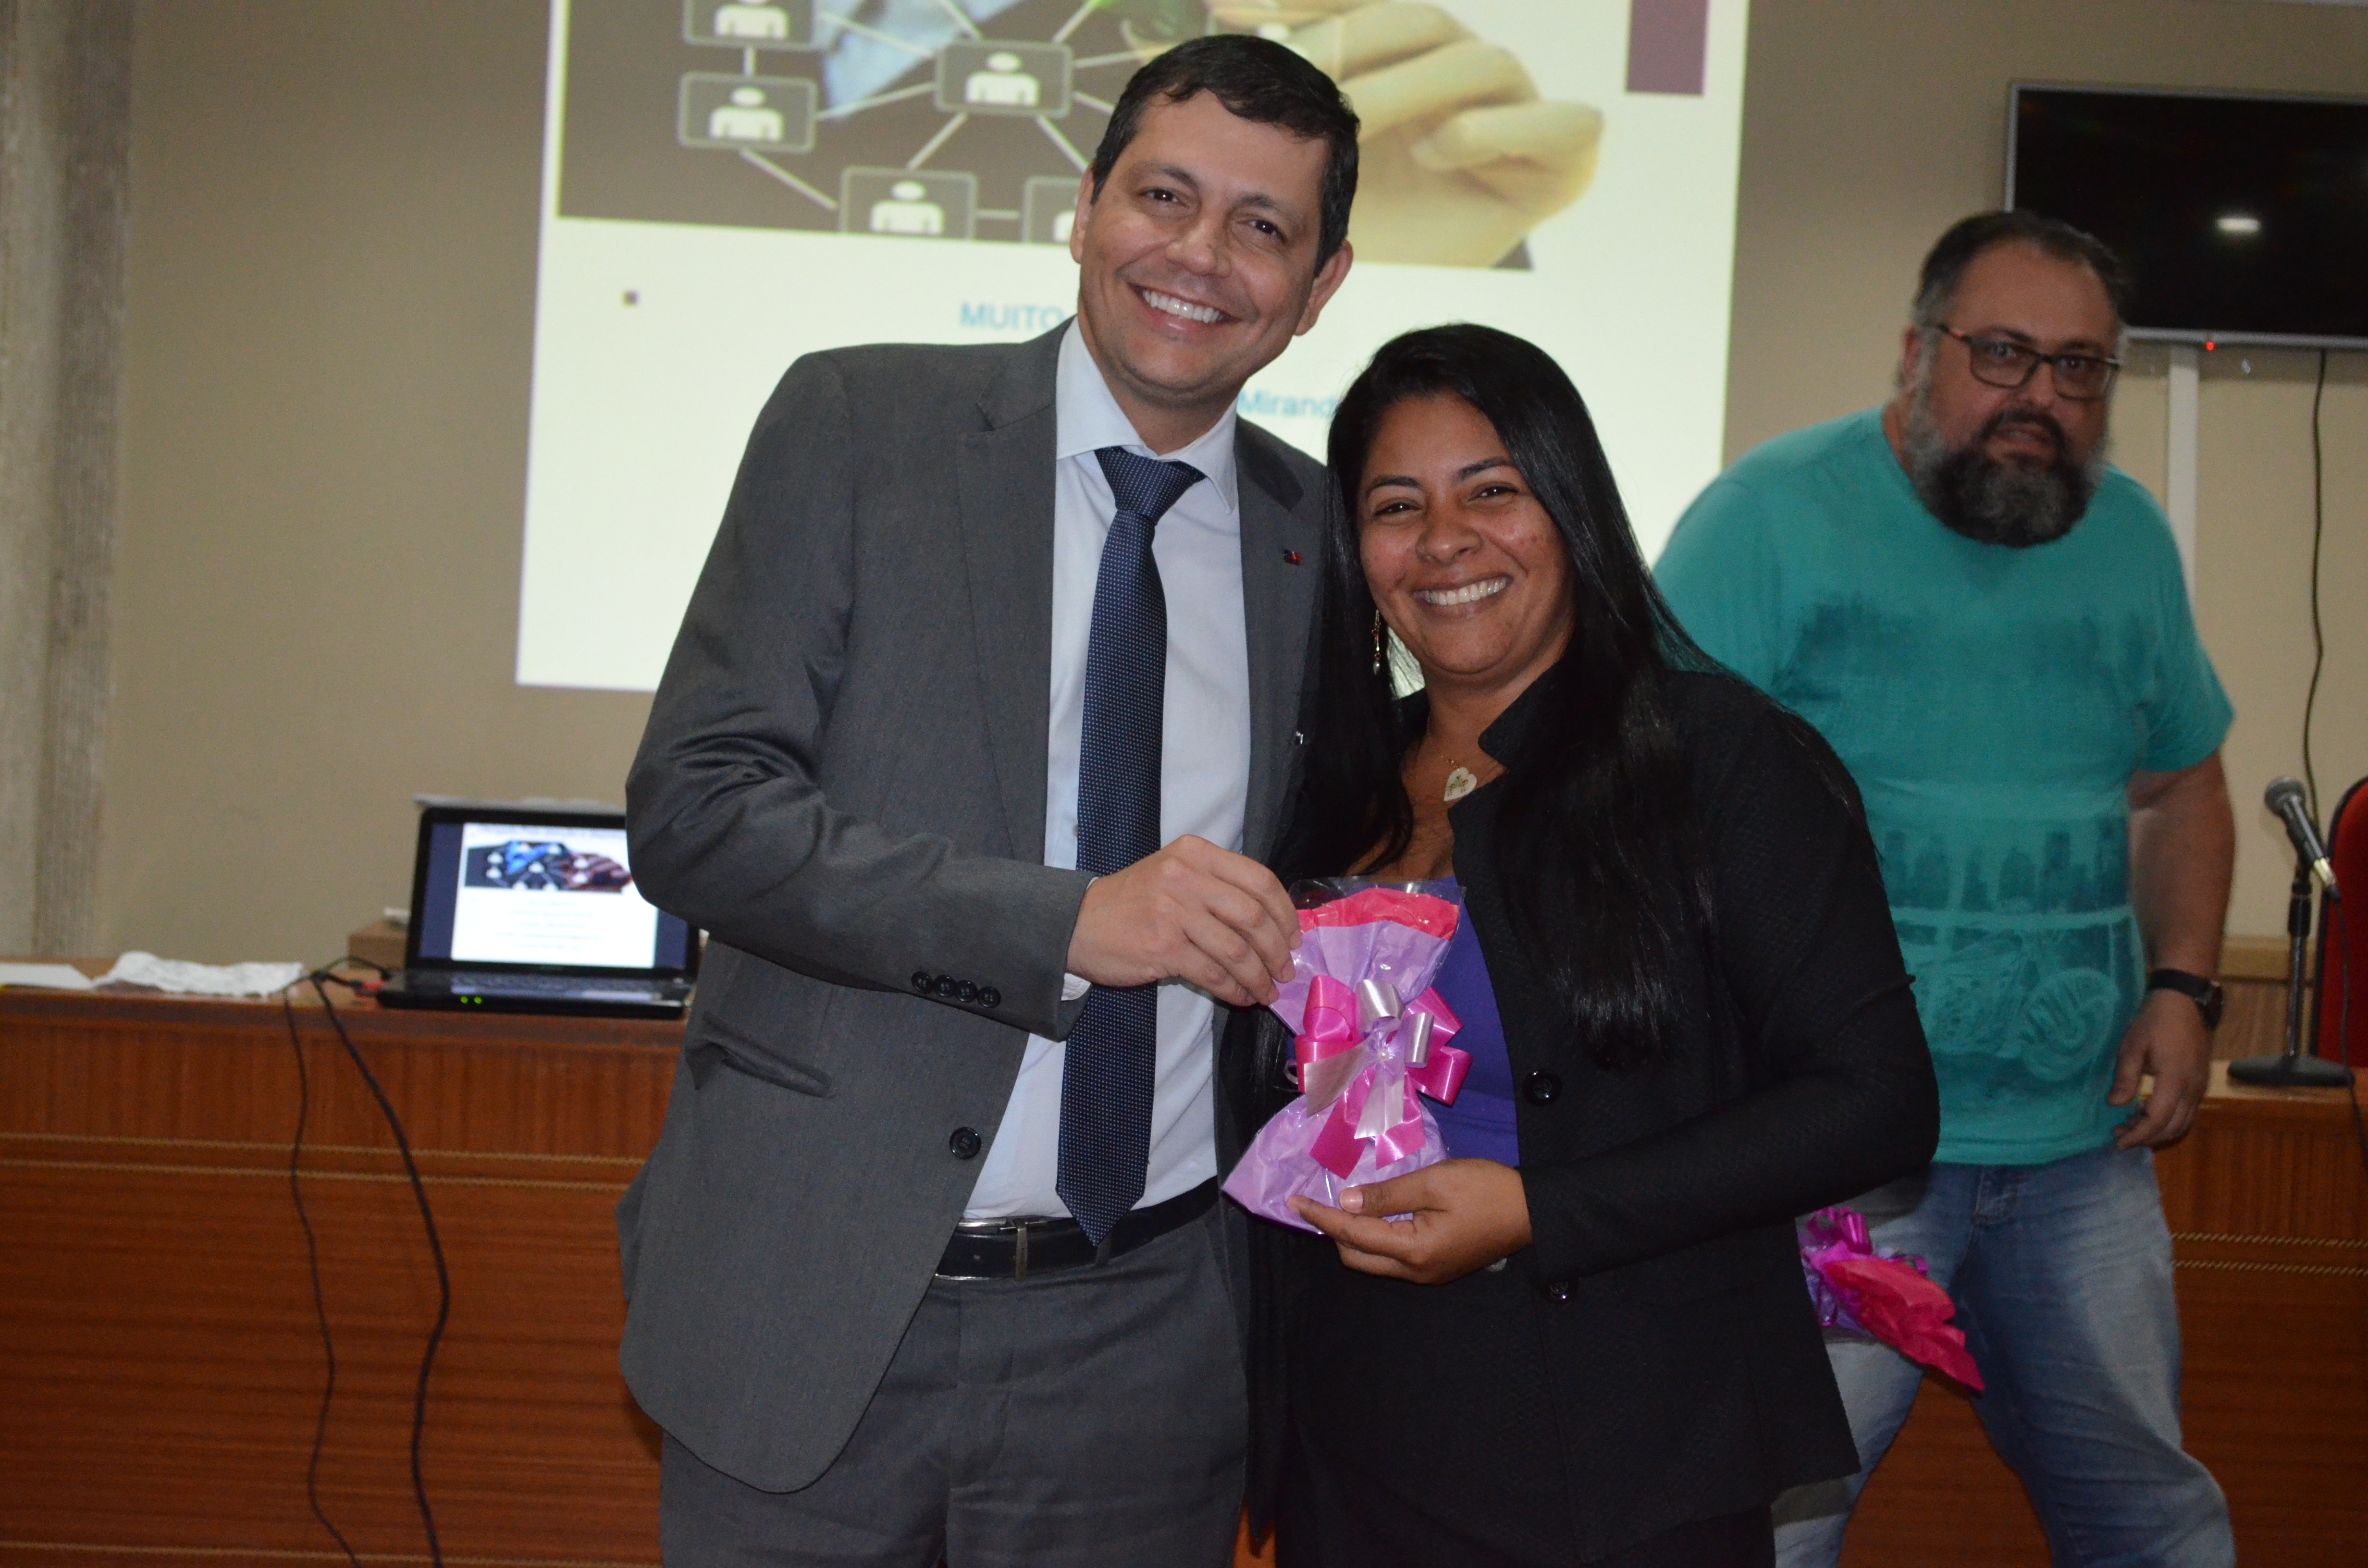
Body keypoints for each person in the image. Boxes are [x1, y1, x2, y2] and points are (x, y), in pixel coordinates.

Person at [617, 35, 1356, 1567]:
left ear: (1321, 284)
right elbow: (696, 808)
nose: (1199, 256)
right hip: (809, 1301)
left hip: (1148, 1340)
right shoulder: (858, 423)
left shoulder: (1322, 534)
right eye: (1164, 196)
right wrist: (1066, 922)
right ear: (1085, 207)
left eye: (1262, 227)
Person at [1216, 323, 1941, 1568]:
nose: (1445, 541)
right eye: (1397, 506)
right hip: (1355, 1441)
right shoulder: (1327, 783)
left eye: (1492, 491)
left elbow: (1877, 1103)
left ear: (1574, 507)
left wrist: (1538, 1212)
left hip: (1623, 1460)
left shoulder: (1719, 758)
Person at [1656, 211, 2240, 1567]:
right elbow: (1646, 801)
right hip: (1839, 1164)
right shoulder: (1767, 521)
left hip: (2080, 1154)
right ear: (1918, 353)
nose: (2041, 395)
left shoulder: (2129, 539)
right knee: (1773, 1532)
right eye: (2004, 354)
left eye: (2079, 367)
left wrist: (2183, 988)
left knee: (2155, 1525)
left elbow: (2182, 789)